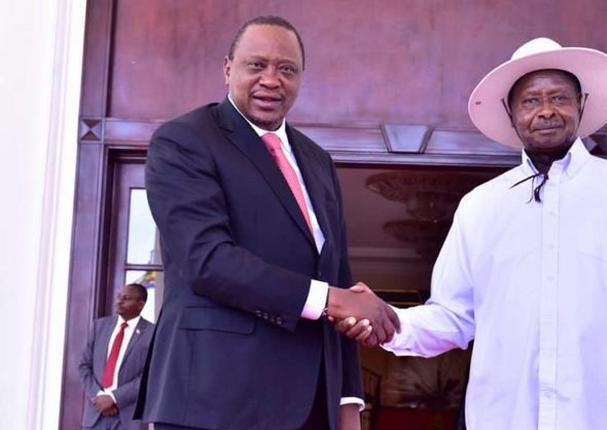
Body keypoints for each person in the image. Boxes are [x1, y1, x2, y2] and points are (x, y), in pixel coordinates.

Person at [338, 37, 607, 429]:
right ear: (510, 113)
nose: (546, 111)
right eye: (531, 101)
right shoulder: (481, 207)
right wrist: (388, 322)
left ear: (581, 103)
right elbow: (454, 317)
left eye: (559, 98)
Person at [137, 15, 398, 430]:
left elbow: (338, 275)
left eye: (287, 69)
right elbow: (208, 261)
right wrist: (331, 299)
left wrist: (348, 400)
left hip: (311, 406)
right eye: (256, 65)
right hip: (215, 401)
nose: (271, 80)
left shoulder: (317, 161)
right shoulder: (184, 140)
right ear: (228, 69)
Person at [79, 283, 154, 430]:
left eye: (126, 298)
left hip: (128, 418)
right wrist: (99, 396)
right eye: (119, 297)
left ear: (140, 304)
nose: (119, 301)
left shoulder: (152, 333)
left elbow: (149, 375)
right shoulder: (99, 326)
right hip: (95, 416)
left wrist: (114, 398)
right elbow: (84, 366)